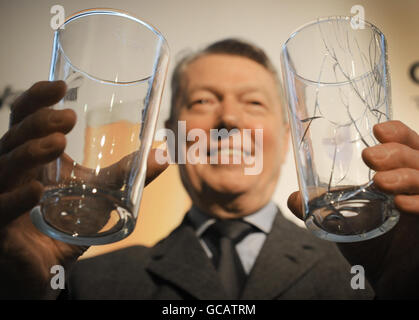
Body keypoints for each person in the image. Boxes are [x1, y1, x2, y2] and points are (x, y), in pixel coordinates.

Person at [0, 39, 418, 300]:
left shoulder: (365, 276)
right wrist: (18, 290)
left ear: (289, 133)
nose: (228, 121)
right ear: (170, 136)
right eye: (201, 102)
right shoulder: (85, 284)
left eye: (254, 103)